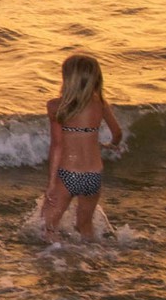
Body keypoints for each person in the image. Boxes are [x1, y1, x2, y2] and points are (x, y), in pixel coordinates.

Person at [40, 52, 125, 241]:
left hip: (69, 173)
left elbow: (57, 146)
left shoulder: (56, 106)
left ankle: (58, 261)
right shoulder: (100, 104)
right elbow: (117, 133)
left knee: (47, 226)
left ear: (67, 78)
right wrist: (110, 145)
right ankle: (92, 261)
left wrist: (52, 183)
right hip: (93, 175)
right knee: (84, 225)